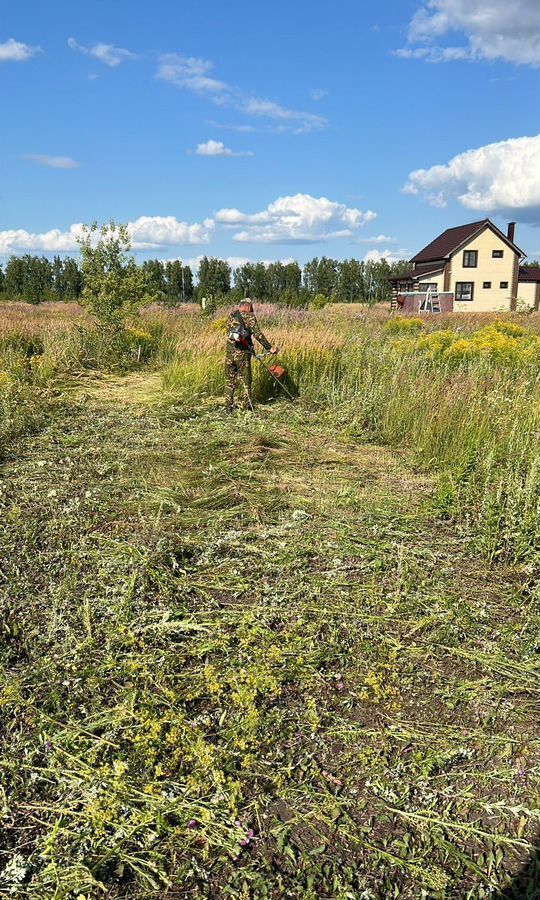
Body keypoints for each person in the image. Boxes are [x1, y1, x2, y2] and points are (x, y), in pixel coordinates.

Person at [225, 299, 277, 411]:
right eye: (252, 307)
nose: (252, 309)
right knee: (246, 380)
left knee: (230, 380)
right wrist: (270, 348)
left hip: (229, 354)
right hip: (242, 354)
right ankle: (247, 406)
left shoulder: (232, 315)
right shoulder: (249, 316)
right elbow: (258, 334)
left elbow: (228, 333)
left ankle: (228, 407)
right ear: (248, 306)